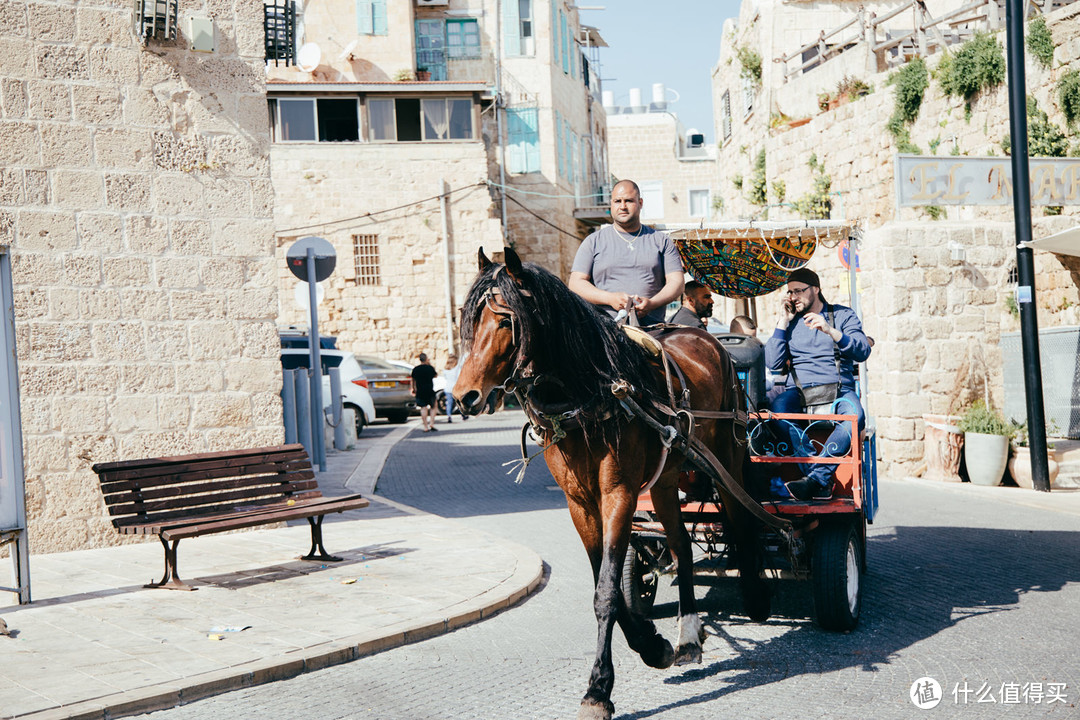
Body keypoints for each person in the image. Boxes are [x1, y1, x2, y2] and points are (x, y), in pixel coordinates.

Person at [765, 268, 872, 500]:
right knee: (777, 411)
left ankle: (816, 478)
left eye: (798, 291)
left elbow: (863, 350)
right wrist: (782, 322)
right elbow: (773, 363)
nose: (793, 297)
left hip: (839, 389)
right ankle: (818, 473)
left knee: (855, 415)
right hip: (800, 392)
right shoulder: (790, 323)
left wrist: (831, 331)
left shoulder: (843, 315)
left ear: (815, 289)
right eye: (789, 292)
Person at [568, 180, 684, 325]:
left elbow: (677, 282)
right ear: (611, 204)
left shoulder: (661, 241)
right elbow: (575, 283)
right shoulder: (593, 242)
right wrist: (609, 298)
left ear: (640, 203)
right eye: (618, 201)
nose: (622, 206)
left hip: (652, 330)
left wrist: (652, 303)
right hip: (603, 331)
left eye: (629, 201)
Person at [410, 352, 439, 432]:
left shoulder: (416, 369)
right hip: (429, 390)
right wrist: (429, 364)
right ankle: (432, 423)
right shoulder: (430, 368)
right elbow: (435, 375)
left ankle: (425, 426)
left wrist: (413, 389)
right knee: (434, 406)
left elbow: (413, 380)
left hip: (420, 391)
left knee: (423, 408)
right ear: (426, 359)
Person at [442, 354, 462, 424]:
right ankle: (463, 415)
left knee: (449, 403)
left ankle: (449, 416)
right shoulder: (456, 368)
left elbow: (445, 378)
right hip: (455, 387)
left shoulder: (445, 369)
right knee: (459, 402)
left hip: (447, 388)